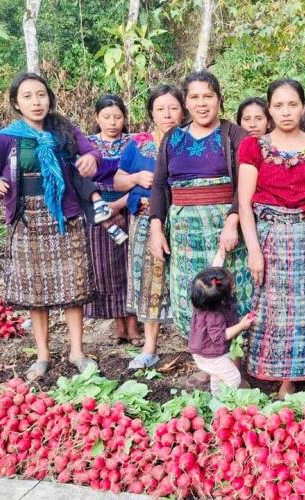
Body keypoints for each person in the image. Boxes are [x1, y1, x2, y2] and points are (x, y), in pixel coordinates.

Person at [0, 71, 105, 380]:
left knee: (73, 286)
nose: (36, 102)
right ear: (16, 104)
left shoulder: (63, 130)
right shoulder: (5, 138)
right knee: (37, 292)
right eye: (28, 96)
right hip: (27, 220)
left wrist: (91, 158)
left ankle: (77, 351)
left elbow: (91, 150)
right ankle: (43, 355)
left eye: (41, 95)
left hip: (65, 215)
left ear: (49, 98)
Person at [237, 78, 305, 398]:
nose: (286, 112)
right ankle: (284, 380)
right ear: (270, 109)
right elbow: (245, 202)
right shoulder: (253, 147)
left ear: (303, 106)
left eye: (292, 104)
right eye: (279, 105)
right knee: (278, 312)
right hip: (271, 238)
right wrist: (254, 251)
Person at [148, 71, 253, 341]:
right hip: (184, 234)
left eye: (208, 96)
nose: (202, 103)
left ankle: (235, 360)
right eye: (194, 97)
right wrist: (157, 228)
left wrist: (233, 221)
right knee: (191, 291)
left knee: (229, 290)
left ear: (219, 100)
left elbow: (245, 183)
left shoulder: (235, 135)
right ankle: (203, 358)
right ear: (186, 102)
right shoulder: (173, 138)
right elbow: (160, 185)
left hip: (225, 231)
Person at [114, 85, 185, 369]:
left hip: (182, 220)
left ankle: (199, 345)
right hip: (144, 220)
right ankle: (150, 346)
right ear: (151, 113)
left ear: (183, 110)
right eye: (160, 109)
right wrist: (136, 178)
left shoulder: (191, 141)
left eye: (173, 108)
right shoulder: (138, 144)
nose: (167, 114)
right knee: (150, 284)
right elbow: (118, 180)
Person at [85, 94, 140, 345]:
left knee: (132, 265)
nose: (112, 122)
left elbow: (145, 174)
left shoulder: (135, 143)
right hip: (98, 211)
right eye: (106, 117)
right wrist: (101, 205)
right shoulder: (87, 145)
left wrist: (122, 203)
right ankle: (118, 324)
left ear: (125, 118)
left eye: (118, 117)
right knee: (108, 268)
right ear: (97, 118)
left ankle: (134, 325)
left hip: (131, 206)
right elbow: (81, 179)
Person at [188, 267, 255, 395]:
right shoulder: (215, 315)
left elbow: (211, 281)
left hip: (202, 352)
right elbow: (219, 337)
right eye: (232, 286)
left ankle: (216, 401)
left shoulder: (203, 301)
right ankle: (227, 404)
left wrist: (221, 253)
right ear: (222, 298)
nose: (234, 287)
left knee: (217, 377)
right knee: (233, 378)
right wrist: (241, 326)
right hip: (212, 356)